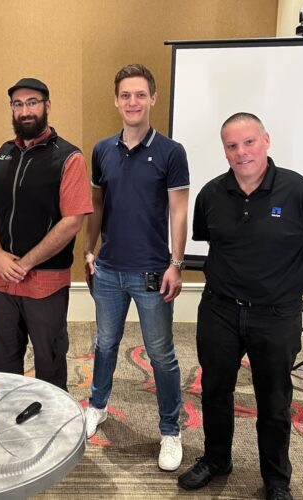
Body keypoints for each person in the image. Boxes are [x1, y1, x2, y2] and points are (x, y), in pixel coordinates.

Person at [177, 113, 303, 500]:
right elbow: (213, 243)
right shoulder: (211, 195)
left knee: (274, 400)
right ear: (224, 151)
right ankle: (216, 460)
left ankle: (276, 479)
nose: (241, 152)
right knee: (215, 391)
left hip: (277, 315)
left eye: (249, 142)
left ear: (266, 140)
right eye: (232, 146)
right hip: (220, 310)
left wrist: (285, 284)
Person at [84, 64, 190, 471]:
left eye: (140, 95)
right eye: (126, 95)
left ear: (153, 99)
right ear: (116, 100)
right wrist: (88, 250)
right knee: (105, 343)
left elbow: (178, 212)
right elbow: (96, 205)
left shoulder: (171, 152)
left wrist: (176, 263)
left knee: (161, 354)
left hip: (152, 273)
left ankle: (170, 430)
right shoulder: (102, 150)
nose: (133, 102)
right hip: (108, 270)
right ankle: (97, 405)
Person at [0, 78, 92, 391]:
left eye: (32, 102)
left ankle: (51, 419)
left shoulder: (69, 158)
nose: (25, 110)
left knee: (49, 363)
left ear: (47, 106)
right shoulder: (2, 154)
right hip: (3, 280)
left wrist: (25, 263)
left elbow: (72, 221)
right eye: (18, 104)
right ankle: (6, 413)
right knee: (4, 362)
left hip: (45, 282)